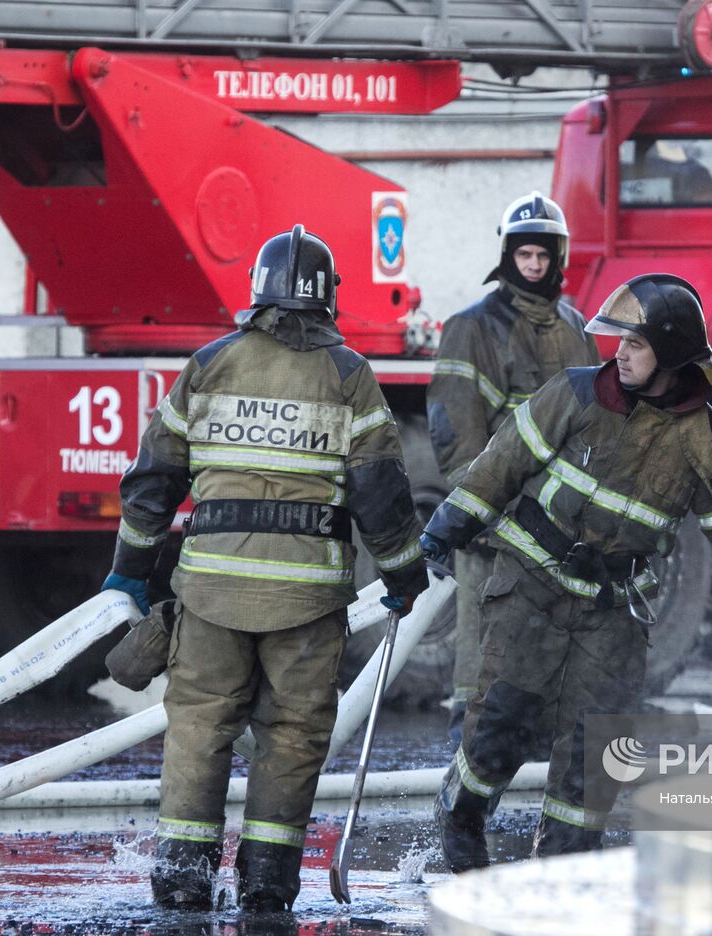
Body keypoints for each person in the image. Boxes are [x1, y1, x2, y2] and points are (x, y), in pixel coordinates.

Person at [418, 273, 712, 870]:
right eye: (618, 342)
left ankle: (565, 870)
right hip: (532, 583)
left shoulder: (709, 438)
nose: (619, 353)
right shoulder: (576, 394)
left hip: (614, 609)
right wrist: (447, 525)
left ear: (673, 353)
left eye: (635, 344)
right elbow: (500, 463)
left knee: (596, 751)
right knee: (503, 724)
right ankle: (462, 817)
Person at [99, 225, 427, 912]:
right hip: (306, 605)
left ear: (258, 290)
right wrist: (403, 576)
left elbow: (154, 476)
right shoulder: (348, 376)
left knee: (199, 724)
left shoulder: (211, 364)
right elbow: (382, 493)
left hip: (210, 589)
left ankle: (183, 874)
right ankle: (268, 883)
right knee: (293, 734)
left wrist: (129, 568)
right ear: (327, 298)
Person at [427, 192, 600, 742]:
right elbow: (456, 430)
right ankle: (464, 775)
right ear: (508, 256)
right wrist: (479, 513)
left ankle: (539, 779)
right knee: (486, 661)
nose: (533, 265)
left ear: (558, 259)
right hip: (498, 525)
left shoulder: (576, 326)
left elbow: (597, 425)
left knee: (551, 661)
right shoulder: (472, 327)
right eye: (524, 255)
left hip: (563, 527)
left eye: (542, 256)